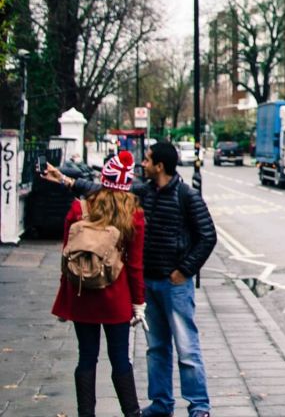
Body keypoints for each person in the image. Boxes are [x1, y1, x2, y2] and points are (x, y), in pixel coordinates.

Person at [48, 142, 217, 417]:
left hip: (173, 284)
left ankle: (199, 407)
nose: (143, 164)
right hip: (138, 287)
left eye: (148, 160)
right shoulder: (139, 199)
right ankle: (156, 406)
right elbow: (106, 192)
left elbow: (208, 236)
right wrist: (67, 180)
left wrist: (184, 270)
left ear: (160, 166)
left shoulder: (187, 196)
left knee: (186, 349)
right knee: (153, 350)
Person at [51, 150, 146, 417]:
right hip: (116, 298)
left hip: (82, 296)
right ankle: (132, 413)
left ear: (103, 180)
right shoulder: (133, 216)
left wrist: (64, 300)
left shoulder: (79, 208)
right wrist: (139, 303)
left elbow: (66, 255)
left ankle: (86, 414)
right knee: (120, 359)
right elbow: (135, 265)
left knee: (86, 357)